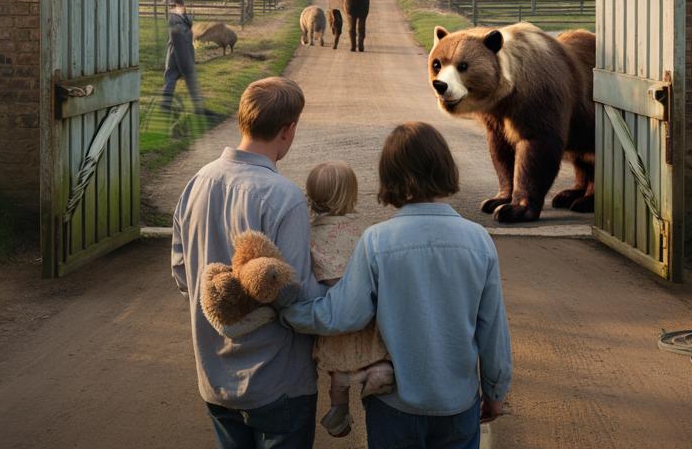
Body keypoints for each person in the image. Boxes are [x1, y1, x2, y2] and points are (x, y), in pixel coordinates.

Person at [282, 122, 512, 449]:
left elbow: (344, 316)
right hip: (458, 402)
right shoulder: (479, 241)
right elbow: (492, 330)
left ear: (390, 177)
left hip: (395, 404)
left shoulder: (376, 242)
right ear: (446, 168)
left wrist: (288, 313)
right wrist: (495, 391)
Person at [171, 76, 325, 449]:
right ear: (288, 131)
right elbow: (295, 294)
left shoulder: (197, 182)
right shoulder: (283, 197)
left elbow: (181, 273)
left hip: (214, 375)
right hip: (277, 377)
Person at [303, 161, 394, 438]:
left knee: (338, 374)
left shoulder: (308, 235)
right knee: (373, 356)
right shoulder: (365, 232)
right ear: (351, 195)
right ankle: (376, 378)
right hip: (365, 317)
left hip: (332, 317)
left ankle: (339, 408)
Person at [163, 0, 204, 114]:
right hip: (181, 53)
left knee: (171, 78)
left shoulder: (178, 18)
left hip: (178, 53)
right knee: (183, 78)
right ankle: (197, 107)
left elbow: (181, 37)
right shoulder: (179, 19)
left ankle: (166, 104)